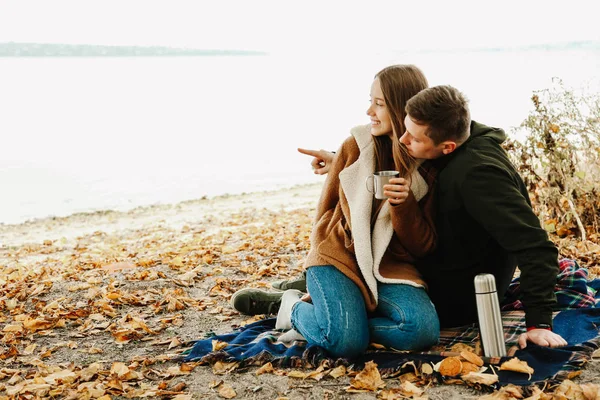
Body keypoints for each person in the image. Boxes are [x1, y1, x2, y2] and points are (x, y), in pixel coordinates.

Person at [294, 85, 568, 349]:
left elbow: (536, 247)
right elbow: (396, 152)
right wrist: (341, 160)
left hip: (453, 297)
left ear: (447, 147)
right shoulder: (452, 135)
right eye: (405, 129)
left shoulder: (479, 174)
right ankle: (327, 307)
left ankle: (323, 312)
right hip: (408, 268)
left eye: (413, 137)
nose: (403, 140)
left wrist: (539, 323)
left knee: (356, 332)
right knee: (346, 326)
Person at [232, 64, 440, 358]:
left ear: (403, 108)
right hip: (338, 256)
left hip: (388, 267)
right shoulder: (355, 147)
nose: (369, 111)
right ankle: (291, 307)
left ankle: (340, 320)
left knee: (420, 331)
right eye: (370, 101)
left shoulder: (426, 165)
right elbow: (325, 211)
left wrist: (403, 205)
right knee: (347, 343)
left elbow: (422, 245)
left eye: (378, 104)